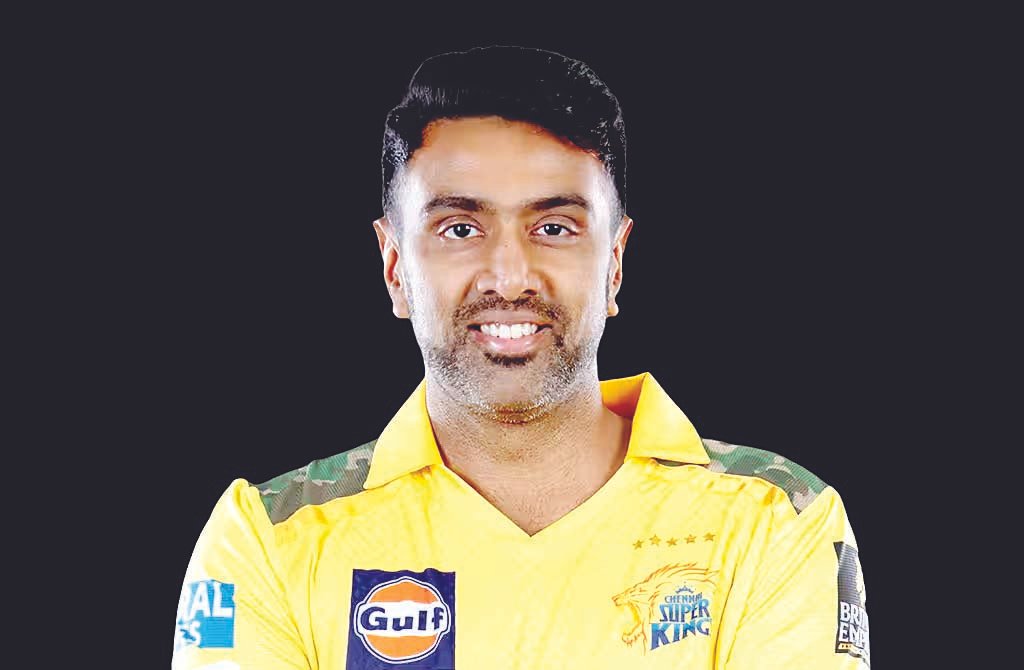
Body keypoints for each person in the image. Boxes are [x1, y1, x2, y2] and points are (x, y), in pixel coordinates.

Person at [172, 45, 870, 669]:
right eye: (460, 228)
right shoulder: (269, 538)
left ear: (614, 264)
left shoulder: (777, 518)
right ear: (394, 266)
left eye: (555, 227)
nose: (509, 277)